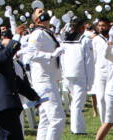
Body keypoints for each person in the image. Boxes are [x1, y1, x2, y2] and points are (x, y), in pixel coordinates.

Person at [23, 7, 66, 140]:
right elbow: (31, 53)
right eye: (40, 12)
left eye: (44, 10)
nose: (44, 13)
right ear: (36, 20)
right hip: (43, 80)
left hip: (50, 79)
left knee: (46, 119)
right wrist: (51, 55)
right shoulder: (37, 34)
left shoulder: (47, 32)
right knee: (58, 118)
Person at [60, 19, 94, 134]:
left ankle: (80, 127)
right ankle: (77, 130)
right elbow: (89, 62)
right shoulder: (85, 40)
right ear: (81, 28)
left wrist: (63, 75)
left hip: (68, 74)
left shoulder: (64, 40)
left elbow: (62, 60)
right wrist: (90, 81)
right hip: (80, 74)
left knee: (75, 102)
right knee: (77, 104)